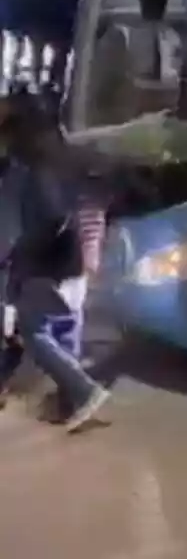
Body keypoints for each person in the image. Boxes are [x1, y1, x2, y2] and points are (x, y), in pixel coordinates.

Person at [0, 99, 109, 431]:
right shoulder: (66, 158)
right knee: (62, 331)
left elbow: (44, 220)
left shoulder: (29, 171)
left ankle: (83, 391)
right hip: (71, 261)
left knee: (33, 332)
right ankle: (69, 400)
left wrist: (17, 255)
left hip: (45, 265)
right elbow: (91, 205)